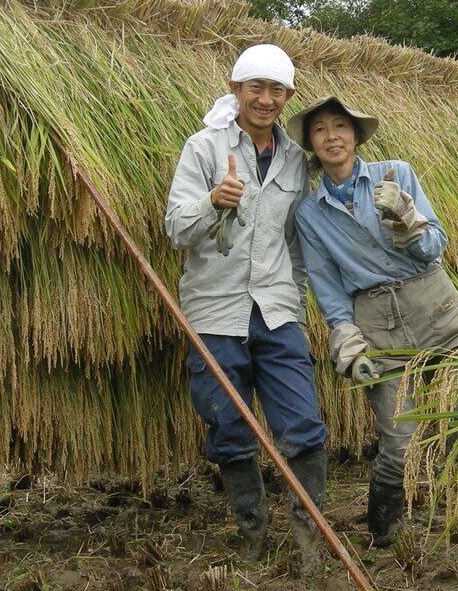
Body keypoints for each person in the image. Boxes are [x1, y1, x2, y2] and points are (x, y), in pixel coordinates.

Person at [287, 96, 458, 548]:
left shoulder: (395, 174)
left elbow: (435, 245)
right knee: (398, 442)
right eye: (320, 130)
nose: (331, 137)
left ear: (357, 136)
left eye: (341, 126)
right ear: (311, 145)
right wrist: (347, 341)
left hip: (437, 313)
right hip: (379, 327)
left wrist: (407, 218)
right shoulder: (309, 213)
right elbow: (327, 286)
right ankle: (383, 533)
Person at [165, 45, 328, 564]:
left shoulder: (295, 160)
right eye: (255, 86)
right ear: (235, 89)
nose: (265, 98)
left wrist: (295, 297)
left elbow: (296, 240)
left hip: (278, 310)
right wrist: (213, 201)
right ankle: (253, 531)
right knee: (228, 424)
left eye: (276, 89)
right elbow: (175, 230)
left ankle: (310, 540)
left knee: (302, 422)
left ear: (288, 97)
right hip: (215, 309)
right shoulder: (203, 147)